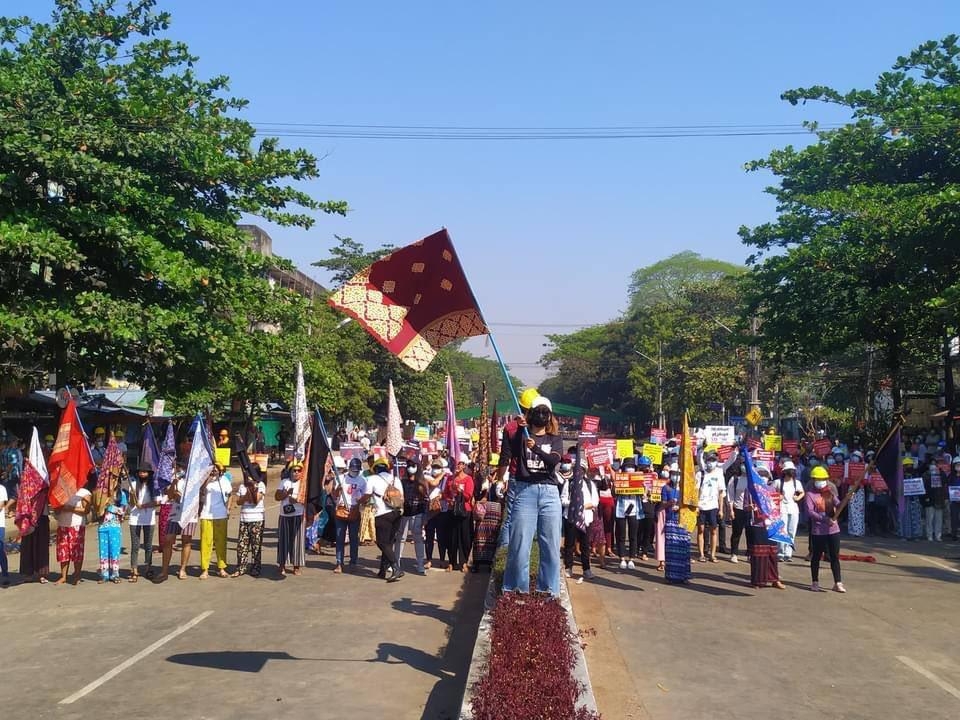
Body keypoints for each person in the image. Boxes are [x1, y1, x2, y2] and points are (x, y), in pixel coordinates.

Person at [497, 395, 563, 596]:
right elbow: (507, 455)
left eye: (545, 412)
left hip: (549, 493)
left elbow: (553, 461)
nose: (541, 415)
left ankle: (548, 591)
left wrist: (535, 448)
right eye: (538, 412)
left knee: (550, 546)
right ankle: (516, 589)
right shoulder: (519, 435)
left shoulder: (555, 438)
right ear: (530, 414)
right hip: (525, 491)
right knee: (519, 545)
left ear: (550, 416)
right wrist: (519, 429)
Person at [359, 457, 404, 582]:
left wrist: (359, 501)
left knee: (382, 543)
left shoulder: (372, 479)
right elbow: (402, 497)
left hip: (382, 514)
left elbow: (367, 495)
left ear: (375, 469)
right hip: (397, 513)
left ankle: (396, 567)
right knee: (388, 543)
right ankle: (382, 571)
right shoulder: (396, 479)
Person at [805, 466, 845, 593]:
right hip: (818, 531)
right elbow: (810, 512)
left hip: (833, 530)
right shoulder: (810, 495)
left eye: (823, 479)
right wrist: (825, 520)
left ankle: (838, 582)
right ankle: (815, 582)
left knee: (834, 557)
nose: (821, 481)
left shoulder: (830, 493)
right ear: (813, 480)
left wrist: (848, 498)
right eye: (818, 479)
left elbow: (839, 505)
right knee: (816, 556)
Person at [562, 457, 599, 582]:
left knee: (585, 545)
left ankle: (586, 569)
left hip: (585, 518)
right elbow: (563, 499)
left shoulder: (590, 484)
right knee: (569, 544)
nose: (579, 472)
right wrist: (573, 504)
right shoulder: (569, 483)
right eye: (577, 470)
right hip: (571, 517)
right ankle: (568, 567)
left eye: (581, 470)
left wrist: (582, 506)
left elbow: (595, 501)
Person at [158, 464, 195, 581]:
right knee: (168, 540)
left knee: (186, 541)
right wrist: (174, 484)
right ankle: (164, 571)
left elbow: (200, 492)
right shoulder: (175, 478)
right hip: (175, 513)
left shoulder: (195, 477)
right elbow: (169, 496)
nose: (181, 469)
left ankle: (183, 569)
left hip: (190, 513)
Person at [328, 457, 364, 573]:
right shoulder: (341, 478)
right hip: (341, 509)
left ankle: (353, 562)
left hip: (354, 510)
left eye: (357, 470)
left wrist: (360, 500)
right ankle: (339, 562)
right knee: (340, 538)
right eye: (353, 469)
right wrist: (338, 489)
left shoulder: (362, 481)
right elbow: (334, 495)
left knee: (354, 538)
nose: (355, 472)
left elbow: (366, 498)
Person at [55, 477, 93, 585]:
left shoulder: (84, 492)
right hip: (63, 524)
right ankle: (63, 576)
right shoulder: (61, 490)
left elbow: (86, 510)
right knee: (63, 552)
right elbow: (56, 508)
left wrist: (70, 508)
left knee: (77, 552)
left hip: (77, 525)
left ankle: (77, 574)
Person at [395, 455, 427, 575]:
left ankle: (420, 564)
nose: (410, 468)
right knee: (400, 539)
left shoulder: (422, 482)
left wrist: (424, 517)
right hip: (404, 513)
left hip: (417, 513)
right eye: (408, 466)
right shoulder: (402, 481)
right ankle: (396, 563)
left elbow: (426, 500)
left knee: (418, 539)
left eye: (413, 466)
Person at [232, 464, 266, 577]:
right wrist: (246, 496)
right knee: (242, 545)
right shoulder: (242, 486)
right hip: (244, 518)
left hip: (257, 519)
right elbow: (238, 501)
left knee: (256, 546)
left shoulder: (260, 485)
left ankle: (256, 567)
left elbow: (256, 499)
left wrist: (251, 490)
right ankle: (241, 567)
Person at [199, 464, 232, 579]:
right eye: (212, 470)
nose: (214, 471)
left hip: (220, 514)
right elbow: (200, 491)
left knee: (221, 542)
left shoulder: (225, 481)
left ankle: (221, 568)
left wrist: (228, 509)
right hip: (206, 514)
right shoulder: (205, 480)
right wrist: (207, 479)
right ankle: (205, 569)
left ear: (221, 471)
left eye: (216, 470)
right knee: (205, 543)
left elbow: (230, 495)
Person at [472, 454, 503, 572]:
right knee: (479, 535)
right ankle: (477, 563)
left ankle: (490, 563)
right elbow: (479, 491)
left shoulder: (502, 478)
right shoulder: (482, 476)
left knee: (492, 536)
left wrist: (495, 482)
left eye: (494, 466)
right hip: (483, 509)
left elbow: (501, 494)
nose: (492, 468)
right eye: (491, 466)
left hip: (495, 509)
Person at [444, 453, 475, 573]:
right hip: (452, 511)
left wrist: (460, 491)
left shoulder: (468, 479)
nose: (457, 466)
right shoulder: (450, 479)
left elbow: (468, 496)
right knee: (451, 538)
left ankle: (464, 562)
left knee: (465, 538)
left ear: (464, 465)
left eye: (460, 463)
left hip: (464, 511)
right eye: (456, 463)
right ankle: (451, 562)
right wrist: (449, 500)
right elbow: (445, 494)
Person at [661, 464, 691, 583]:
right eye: (674, 474)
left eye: (678, 474)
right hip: (671, 521)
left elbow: (691, 505)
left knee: (684, 548)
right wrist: (670, 503)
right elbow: (662, 504)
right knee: (671, 549)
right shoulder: (666, 488)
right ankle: (671, 576)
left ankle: (684, 576)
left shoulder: (686, 489)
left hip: (683, 521)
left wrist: (680, 506)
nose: (676, 476)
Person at [128, 463, 158, 581]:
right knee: (135, 546)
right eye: (140, 472)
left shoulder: (154, 487)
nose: (142, 474)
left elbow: (157, 502)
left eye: (145, 472)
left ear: (149, 474)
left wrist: (144, 505)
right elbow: (131, 504)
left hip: (149, 519)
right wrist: (131, 496)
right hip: (135, 519)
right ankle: (134, 570)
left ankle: (148, 567)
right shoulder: (134, 485)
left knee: (148, 545)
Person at [275, 461, 306, 576]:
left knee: (297, 541)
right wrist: (286, 494)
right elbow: (277, 497)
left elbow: (307, 500)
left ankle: (296, 566)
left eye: (298, 471)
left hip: (298, 514)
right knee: (283, 540)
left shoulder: (304, 483)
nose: (296, 473)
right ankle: (282, 564)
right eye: (294, 470)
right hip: (285, 515)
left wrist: (297, 500)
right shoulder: (284, 482)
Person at [697, 451, 727, 563]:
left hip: (713, 506)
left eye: (713, 460)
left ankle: (713, 554)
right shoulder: (700, 473)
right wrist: (696, 506)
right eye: (709, 460)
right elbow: (696, 491)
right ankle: (701, 554)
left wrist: (721, 509)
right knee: (701, 530)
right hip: (701, 506)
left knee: (714, 530)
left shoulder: (719, 473)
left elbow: (721, 493)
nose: (711, 463)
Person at [614, 458, 642, 570]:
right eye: (627, 467)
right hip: (621, 509)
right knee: (621, 534)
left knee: (633, 535)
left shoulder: (638, 478)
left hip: (634, 510)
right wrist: (617, 484)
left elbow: (643, 492)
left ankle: (631, 558)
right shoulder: (619, 479)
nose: (629, 468)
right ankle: (622, 558)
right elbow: (613, 492)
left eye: (631, 467)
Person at [97, 481, 128, 584]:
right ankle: (104, 574)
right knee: (103, 551)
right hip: (102, 527)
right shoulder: (101, 493)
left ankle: (115, 574)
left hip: (115, 526)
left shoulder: (121, 494)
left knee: (115, 551)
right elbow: (96, 507)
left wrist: (109, 506)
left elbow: (123, 510)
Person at [424, 459, 450, 569]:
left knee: (441, 536)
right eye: (434, 467)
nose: (436, 470)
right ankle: (429, 559)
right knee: (429, 536)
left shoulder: (447, 478)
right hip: (430, 510)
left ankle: (442, 559)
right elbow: (433, 484)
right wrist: (442, 474)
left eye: (438, 467)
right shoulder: (427, 476)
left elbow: (449, 491)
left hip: (442, 510)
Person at [778, 461, 804, 561]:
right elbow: (770, 493)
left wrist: (797, 498)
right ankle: (780, 552)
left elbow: (802, 493)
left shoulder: (796, 483)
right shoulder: (778, 482)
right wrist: (777, 497)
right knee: (782, 530)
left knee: (791, 531)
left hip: (793, 509)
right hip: (782, 508)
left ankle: (788, 553)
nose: (790, 473)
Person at [922, 461, 947, 542]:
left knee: (939, 519)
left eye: (935, 465)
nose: (933, 466)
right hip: (929, 499)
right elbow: (923, 487)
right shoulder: (926, 475)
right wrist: (926, 498)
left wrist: (939, 472)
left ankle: (938, 535)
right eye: (931, 464)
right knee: (929, 519)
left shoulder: (942, 474)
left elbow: (944, 482)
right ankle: (929, 535)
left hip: (939, 499)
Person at [0, 482, 12, 585]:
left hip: (0, 525)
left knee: (1, 549)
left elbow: (1, 505)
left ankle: (5, 574)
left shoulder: (1, 489)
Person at [949, 460, 960, 541]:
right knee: (954, 518)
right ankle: (954, 534)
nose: (958, 466)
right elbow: (947, 486)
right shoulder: (951, 476)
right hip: (954, 500)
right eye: (957, 464)